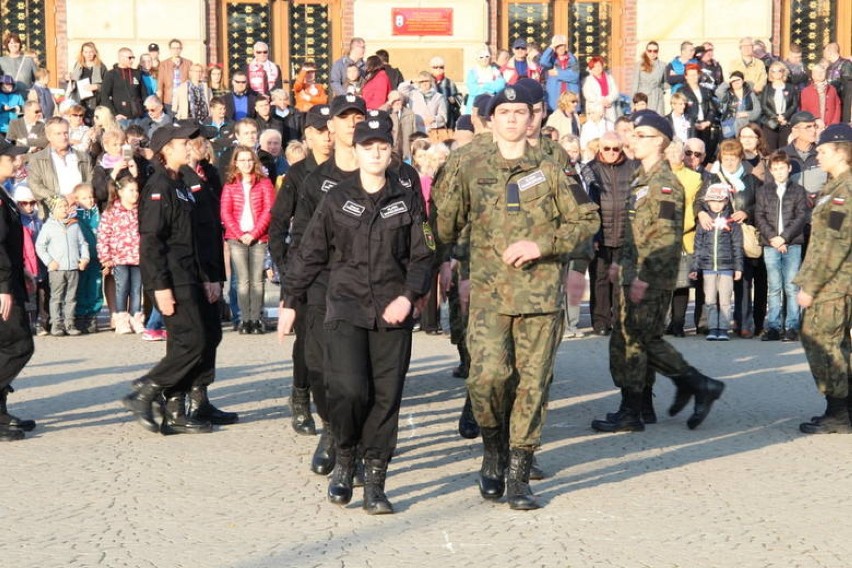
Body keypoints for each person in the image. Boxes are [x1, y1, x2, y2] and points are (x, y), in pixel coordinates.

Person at [435, 84, 600, 510]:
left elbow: (586, 220)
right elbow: (445, 227)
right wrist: (446, 261)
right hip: (489, 293)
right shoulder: (468, 160)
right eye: (503, 111)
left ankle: (519, 474)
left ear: (532, 118)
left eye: (519, 111)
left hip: (540, 293)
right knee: (486, 377)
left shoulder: (552, 160)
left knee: (532, 385)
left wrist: (540, 245)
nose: (511, 118)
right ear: (490, 119)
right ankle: (493, 448)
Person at [279, 114, 433, 514]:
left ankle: (376, 482)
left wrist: (409, 295)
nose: (377, 152)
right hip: (345, 307)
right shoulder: (335, 198)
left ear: (390, 150)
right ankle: (345, 458)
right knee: (347, 391)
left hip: (392, 314)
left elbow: (424, 253)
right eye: (369, 146)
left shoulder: (407, 195)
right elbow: (310, 252)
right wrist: (290, 301)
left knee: (386, 398)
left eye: (383, 146)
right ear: (358, 150)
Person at [591, 110, 725, 434]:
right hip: (632, 271)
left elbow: (663, 238)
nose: (632, 140)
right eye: (633, 135)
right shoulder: (641, 178)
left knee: (638, 342)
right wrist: (617, 263)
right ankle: (644, 405)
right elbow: (633, 231)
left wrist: (643, 276)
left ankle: (647, 405)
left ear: (661, 142)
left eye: (641, 136)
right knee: (631, 340)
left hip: (649, 276)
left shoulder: (665, 185)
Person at [121, 123, 226, 435]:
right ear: (166, 149)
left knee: (195, 339)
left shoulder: (179, 183)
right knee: (192, 341)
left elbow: (195, 237)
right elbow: (151, 242)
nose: (188, 147)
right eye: (182, 143)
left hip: (189, 273)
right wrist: (160, 287)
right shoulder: (159, 186)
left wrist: (207, 275)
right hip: (172, 278)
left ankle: (173, 408)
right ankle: (146, 390)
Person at [268, 104, 333, 445]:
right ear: (308, 135)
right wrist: (285, 265)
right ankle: (300, 395)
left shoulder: (346, 169)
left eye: (330, 130)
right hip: (304, 268)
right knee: (306, 340)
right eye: (321, 131)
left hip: (336, 268)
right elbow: (278, 224)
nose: (327, 137)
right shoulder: (296, 174)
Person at [794, 123, 851, 434]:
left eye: (823, 151)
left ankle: (838, 412)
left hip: (833, 283)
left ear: (842, 153)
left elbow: (834, 243)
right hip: (834, 281)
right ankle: (844, 408)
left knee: (822, 342)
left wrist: (811, 286)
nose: (817, 155)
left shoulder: (844, 191)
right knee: (837, 344)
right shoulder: (835, 187)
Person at [697, 139, 763, 338]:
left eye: (733, 158)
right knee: (713, 284)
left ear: (740, 158)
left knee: (743, 280)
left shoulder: (751, 180)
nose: (729, 162)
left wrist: (747, 213)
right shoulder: (712, 179)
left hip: (740, 234)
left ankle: (743, 323)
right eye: (726, 159)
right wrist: (701, 213)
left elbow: (761, 205)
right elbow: (699, 201)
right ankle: (712, 323)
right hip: (717, 237)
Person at [0, 140, 35, 441]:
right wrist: (2, 287)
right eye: (11, 158)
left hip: (9, 280)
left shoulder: (4, 192)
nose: (17, 162)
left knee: (5, 347)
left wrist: (21, 269)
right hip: (1, 287)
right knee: (19, 345)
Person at [220, 146, 275, 334]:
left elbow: (269, 210)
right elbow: (225, 212)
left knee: (257, 281)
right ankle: (245, 320)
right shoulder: (230, 185)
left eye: (249, 160)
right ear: (235, 162)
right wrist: (238, 233)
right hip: (236, 238)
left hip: (259, 237)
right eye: (242, 160)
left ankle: (256, 318)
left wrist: (254, 233)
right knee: (242, 281)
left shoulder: (265, 183)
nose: (246, 164)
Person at [755, 151, 808, 342]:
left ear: (789, 168)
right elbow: (759, 217)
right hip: (770, 245)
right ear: (770, 170)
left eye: (782, 168)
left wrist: (784, 238)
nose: (778, 172)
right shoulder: (763, 191)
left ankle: (792, 326)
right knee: (774, 286)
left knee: (792, 286)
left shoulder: (798, 191)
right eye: (775, 169)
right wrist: (773, 238)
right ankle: (774, 326)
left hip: (792, 244)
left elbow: (801, 216)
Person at [588, 130, 637, 336]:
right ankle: (600, 322)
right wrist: (592, 235)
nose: (611, 152)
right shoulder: (590, 169)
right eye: (606, 148)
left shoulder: (633, 167)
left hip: (625, 232)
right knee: (600, 280)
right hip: (601, 233)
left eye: (615, 149)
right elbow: (587, 204)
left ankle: (619, 320)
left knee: (620, 281)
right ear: (600, 148)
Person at [689, 183, 743, 341]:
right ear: (707, 202)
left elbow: (737, 246)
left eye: (720, 201)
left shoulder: (732, 222)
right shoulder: (704, 222)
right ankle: (713, 328)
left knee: (725, 300)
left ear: (726, 202)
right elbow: (697, 246)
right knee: (710, 300)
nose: (717, 205)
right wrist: (695, 267)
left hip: (727, 267)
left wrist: (738, 268)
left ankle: (724, 328)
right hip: (707, 268)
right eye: (713, 201)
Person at [35, 195, 89, 336]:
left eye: (66, 206)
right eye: (60, 206)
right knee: (56, 298)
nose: (64, 209)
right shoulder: (48, 226)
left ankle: (70, 323)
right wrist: (49, 261)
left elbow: (82, 243)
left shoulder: (74, 224)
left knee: (71, 297)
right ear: (53, 209)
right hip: (57, 269)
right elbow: (40, 246)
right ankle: (56, 324)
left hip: (73, 267)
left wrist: (84, 258)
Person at [664, 138, 702, 337]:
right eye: (669, 153)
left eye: (677, 153)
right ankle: (665, 322)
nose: (673, 157)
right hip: (661, 235)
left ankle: (678, 323)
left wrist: (683, 225)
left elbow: (693, 207)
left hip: (685, 234)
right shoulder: (658, 176)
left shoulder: (694, 178)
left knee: (681, 282)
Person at [97, 172, 142, 335]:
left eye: (136, 190)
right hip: (120, 258)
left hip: (138, 257)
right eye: (131, 190)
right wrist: (105, 257)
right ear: (121, 192)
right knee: (122, 288)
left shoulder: (140, 210)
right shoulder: (112, 211)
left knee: (136, 289)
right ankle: (121, 318)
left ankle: (136, 317)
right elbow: (103, 235)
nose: (135, 194)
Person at [27, 117, 94, 209]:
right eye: (58, 134)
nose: (63, 137)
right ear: (48, 136)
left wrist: (79, 196)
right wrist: (60, 199)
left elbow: (90, 180)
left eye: (65, 133)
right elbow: (35, 186)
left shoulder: (83, 157)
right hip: (53, 212)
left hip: (82, 209)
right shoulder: (37, 159)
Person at [71, 183, 102, 333]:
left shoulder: (98, 214)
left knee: (95, 287)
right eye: (84, 198)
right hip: (82, 260)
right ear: (76, 200)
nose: (89, 200)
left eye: (90, 197)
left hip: (97, 259)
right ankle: (80, 315)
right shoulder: (75, 217)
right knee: (81, 287)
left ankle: (93, 315)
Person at [681, 64, 719, 162]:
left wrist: (708, 122)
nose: (693, 77)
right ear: (686, 76)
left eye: (695, 75)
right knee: (692, 152)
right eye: (690, 75)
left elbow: (712, 108)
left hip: (705, 125)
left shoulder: (705, 90)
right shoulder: (682, 91)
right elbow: (681, 110)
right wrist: (694, 123)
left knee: (704, 153)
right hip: (691, 126)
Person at [759, 61, 798, 152]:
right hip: (770, 123)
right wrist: (776, 117)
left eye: (779, 70)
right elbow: (764, 106)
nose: (776, 73)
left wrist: (784, 116)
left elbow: (794, 105)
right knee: (770, 150)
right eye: (773, 71)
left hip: (786, 123)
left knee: (785, 150)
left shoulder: (791, 87)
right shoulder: (767, 88)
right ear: (770, 73)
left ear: (783, 72)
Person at [99, 48, 146, 122]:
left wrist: (144, 110)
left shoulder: (137, 73)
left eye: (133, 58)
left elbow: (144, 94)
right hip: (120, 117)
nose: (132, 60)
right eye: (130, 58)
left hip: (138, 117)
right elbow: (104, 96)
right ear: (121, 58)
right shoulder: (111, 74)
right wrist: (115, 114)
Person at [716, 71, 761, 140]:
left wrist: (747, 114)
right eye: (733, 81)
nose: (736, 82)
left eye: (738, 80)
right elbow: (718, 92)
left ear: (743, 81)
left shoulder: (751, 94)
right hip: (729, 126)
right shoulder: (727, 95)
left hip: (746, 126)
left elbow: (757, 111)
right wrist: (728, 81)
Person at [539, 35, 580, 113]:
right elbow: (542, 62)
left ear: (566, 46)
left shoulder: (573, 60)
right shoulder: (551, 60)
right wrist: (551, 47)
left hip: (570, 99)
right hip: (555, 99)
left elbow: (575, 76)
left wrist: (557, 73)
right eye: (558, 46)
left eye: (562, 45)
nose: (560, 48)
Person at [464, 48, 504, 114]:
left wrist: (484, 85)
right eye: (481, 57)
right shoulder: (472, 72)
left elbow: (500, 86)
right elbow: (473, 89)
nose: (484, 59)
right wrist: (490, 87)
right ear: (477, 59)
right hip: (475, 104)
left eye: (487, 56)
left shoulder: (495, 71)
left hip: (491, 102)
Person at [799, 63, 841, 128]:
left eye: (822, 72)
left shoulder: (832, 89)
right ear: (812, 75)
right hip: (814, 126)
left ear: (826, 74)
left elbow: (837, 107)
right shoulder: (805, 91)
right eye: (817, 72)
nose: (819, 74)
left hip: (830, 126)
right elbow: (804, 110)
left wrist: (834, 124)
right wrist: (812, 124)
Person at [156, 39, 192, 112]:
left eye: (178, 48)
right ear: (170, 49)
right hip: (169, 101)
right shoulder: (163, 64)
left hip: (183, 101)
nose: (176, 50)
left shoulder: (188, 63)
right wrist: (160, 103)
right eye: (173, 48)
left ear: (181, 49)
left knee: (183, 122)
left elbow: (191, 82)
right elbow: (160, 86)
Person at [583, 56, 620, 123]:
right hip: (595, 108)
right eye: (594, 66)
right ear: (591, 68)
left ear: (602, 66)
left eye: (599, 66)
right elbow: (588, 95)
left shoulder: (609, 78)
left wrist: (609, 100)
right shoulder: (588, 80)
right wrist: (602, 100)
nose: (597, 68)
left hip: (609, 106)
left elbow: (615, 92)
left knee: (610, 127)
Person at [429, 56, 462, 130]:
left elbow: (459, 98)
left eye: (441, 67)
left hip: (448, 121)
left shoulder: (449, 83)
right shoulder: (427, 82)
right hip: (431, 122)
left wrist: (454, 100)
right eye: (435, 67)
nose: (438, 69)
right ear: (431, 69)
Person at [633, 41, 665, 115]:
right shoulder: (639, 65)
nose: (652, 53)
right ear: (646, 51)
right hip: (643, 99)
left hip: (658, 98)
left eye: (655, 51)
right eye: (650, 51)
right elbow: (635, 84)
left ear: (658, 52)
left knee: (658, 122)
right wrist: (633, 103)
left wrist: (660, 90)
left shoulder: (663, 65)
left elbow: (665, 83)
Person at [823, 42, 852, 122]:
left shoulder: (846, 64)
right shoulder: (829, 67)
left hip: (843, 103)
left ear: (830, 51)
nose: (824, 54)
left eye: (825, 51)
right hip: (832, 102)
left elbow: (848, 88)